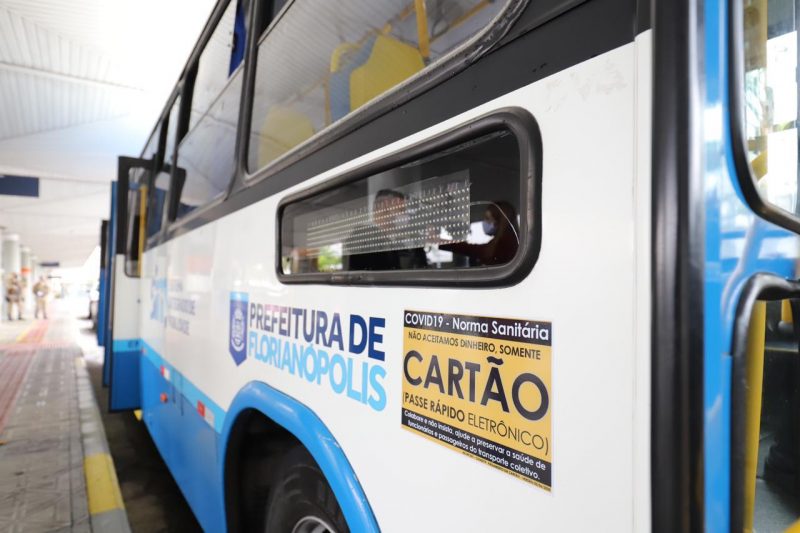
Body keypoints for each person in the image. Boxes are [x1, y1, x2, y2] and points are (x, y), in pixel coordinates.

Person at [344, 189, 427, 271]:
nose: (406, 215)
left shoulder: (410, 239)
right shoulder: (363, 234)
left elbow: (421, 267)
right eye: (402, 210)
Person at [440, 201, 519, 266]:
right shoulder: (502, 240)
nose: (484, 222)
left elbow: (478, 251)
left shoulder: (506, 243)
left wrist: (441, 242)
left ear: (498, 222)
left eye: (488, 219)